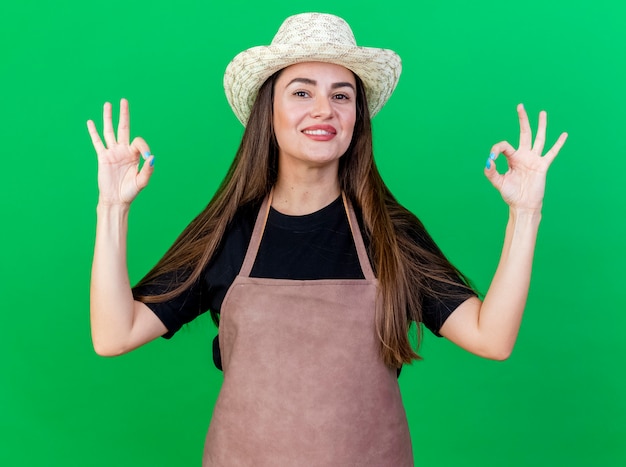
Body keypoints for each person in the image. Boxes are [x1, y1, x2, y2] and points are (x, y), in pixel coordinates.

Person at [87, 12, 568, 466]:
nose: (324, 110)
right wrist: (112, 208)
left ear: (357, 115)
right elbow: (114, 334)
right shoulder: (226, 233)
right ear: (267, 111)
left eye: (342, 95)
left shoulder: (391, 233)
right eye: (301, 92)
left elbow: (492, 338)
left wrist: (525, 213)